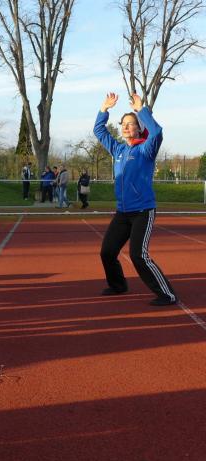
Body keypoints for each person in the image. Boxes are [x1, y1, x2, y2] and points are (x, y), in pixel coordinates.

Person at [94, 92, 177, 305]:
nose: (125, 127)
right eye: (123, 124)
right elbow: (99, 131)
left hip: (142, 211)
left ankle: (167, 294)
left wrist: (141, 109)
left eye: (130, 124)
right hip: (123, 212)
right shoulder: (118, 150)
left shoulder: (146, 150)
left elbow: (157, 131)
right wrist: (104, 109)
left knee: (138, 255)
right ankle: (118, 285)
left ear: (139, 128)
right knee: (107, 251)